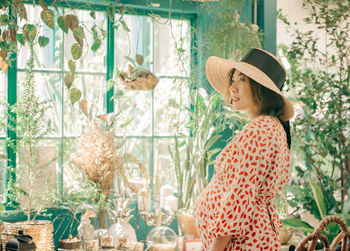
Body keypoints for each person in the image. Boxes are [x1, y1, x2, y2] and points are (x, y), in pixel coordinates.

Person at [194, 48, 294, 251]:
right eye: (234, 79)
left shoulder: (259, 131)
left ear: (262, 89)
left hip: (243, 243)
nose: (232, 88)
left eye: (242, 80)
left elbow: (239, 198)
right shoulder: (271, 127)